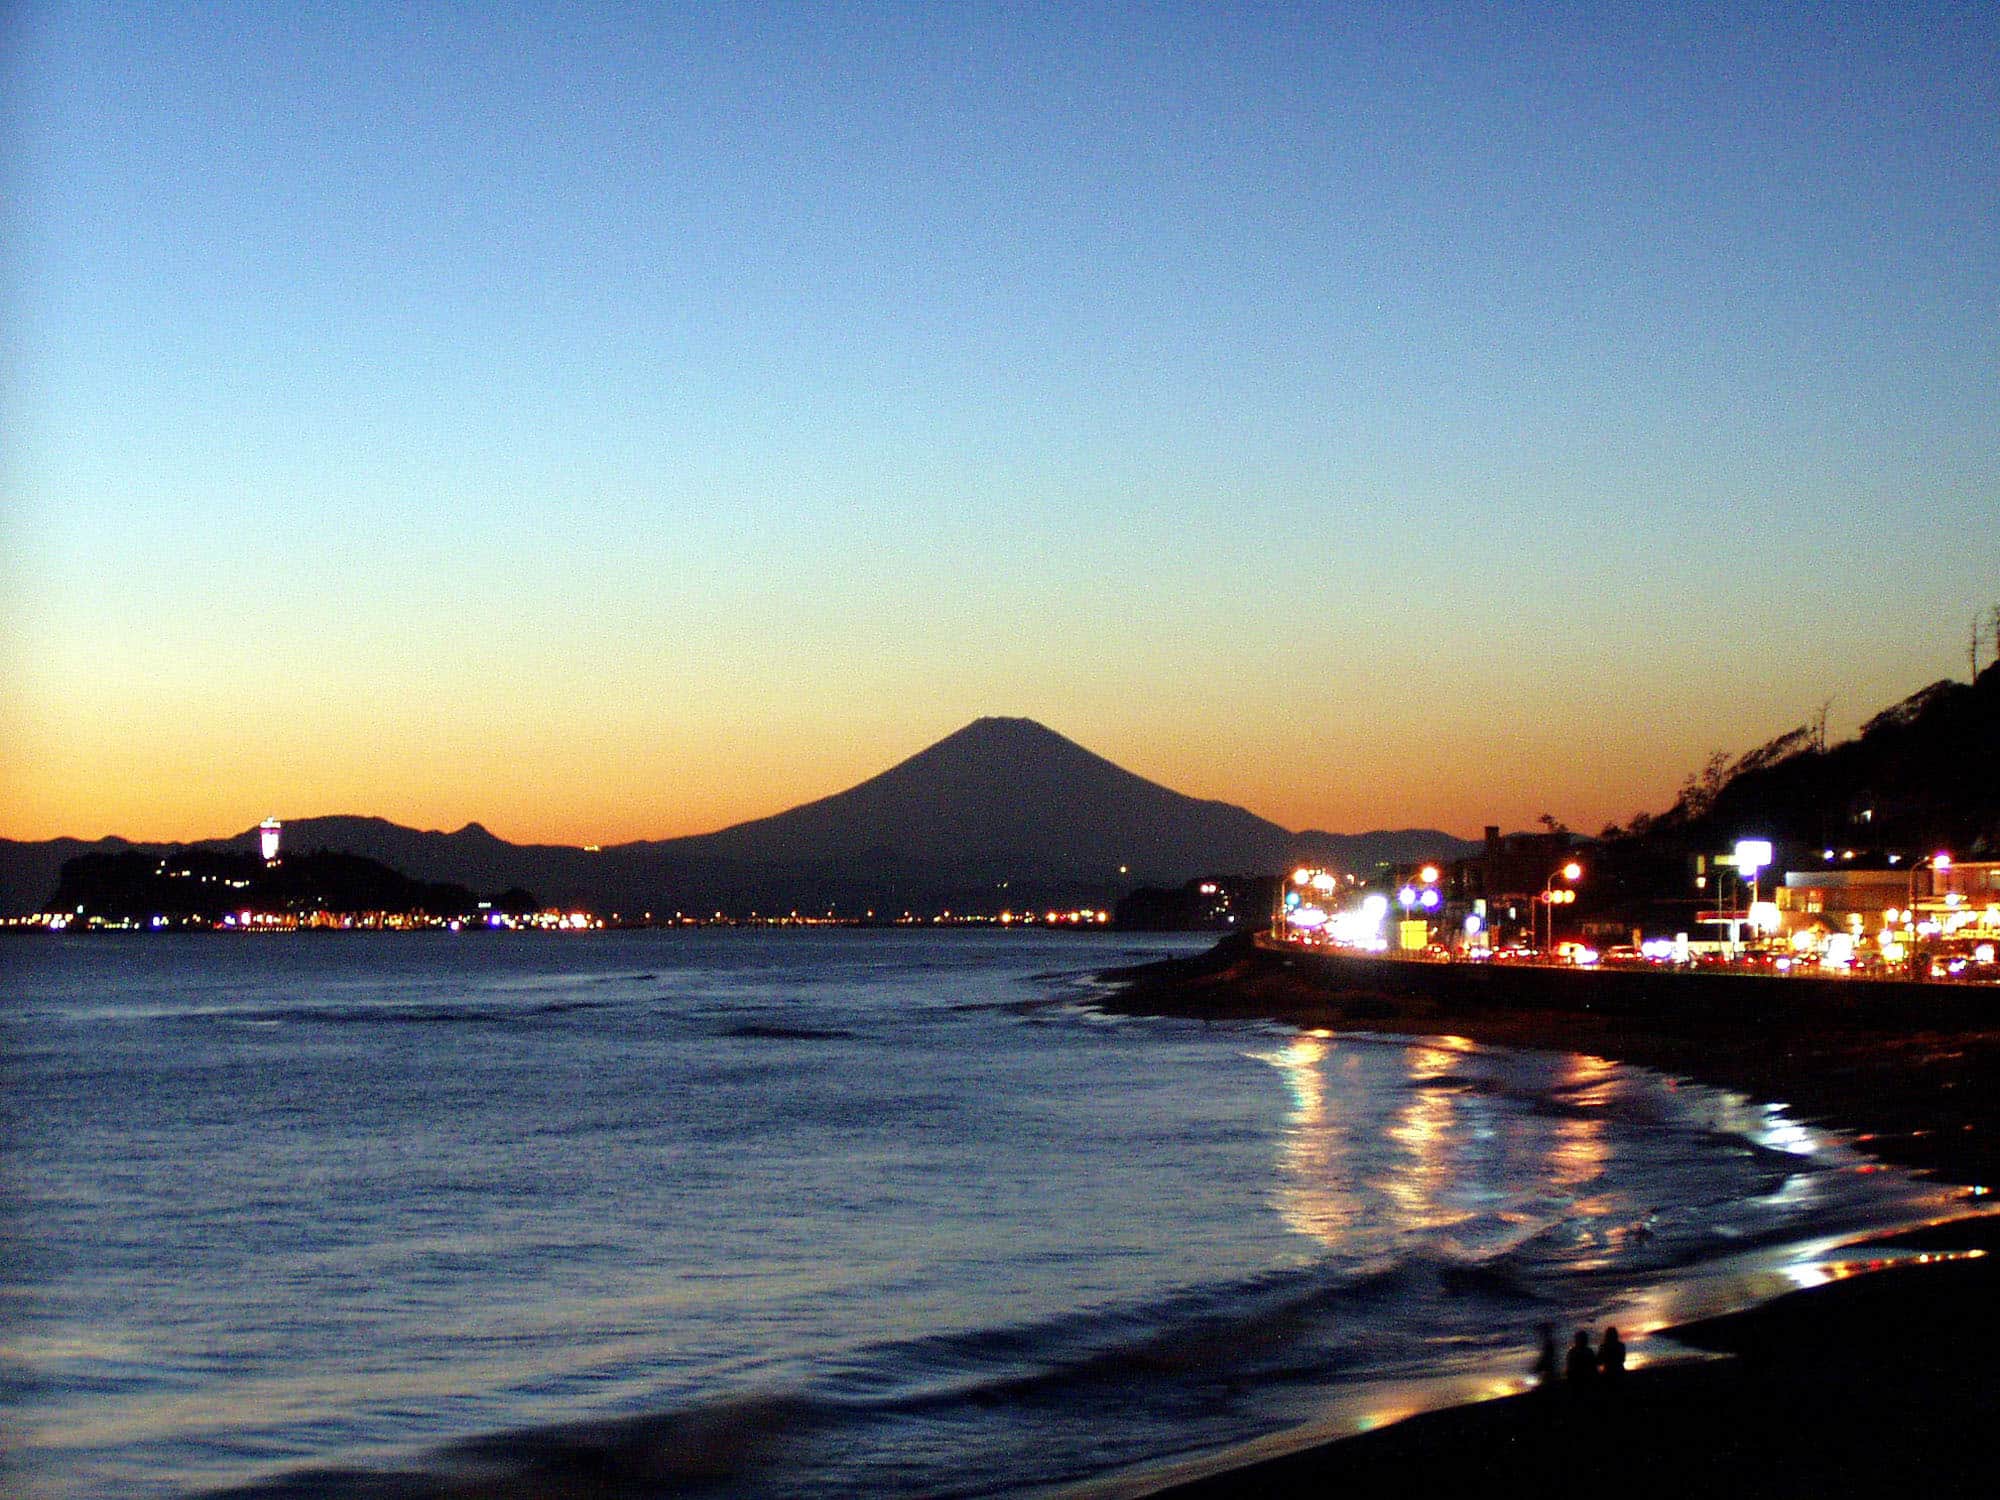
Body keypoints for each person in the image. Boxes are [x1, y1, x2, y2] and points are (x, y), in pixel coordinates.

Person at [1532, 1324, 1561, 1390]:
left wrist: (1536, 1369)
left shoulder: (1548, 1345)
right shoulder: (1550, 1344)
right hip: (1552, 1374)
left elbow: (1545, 1360)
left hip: (1550, 1376)